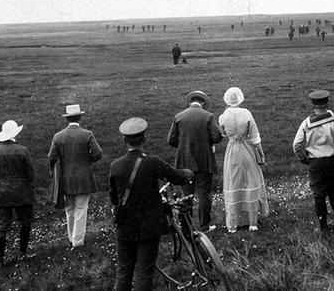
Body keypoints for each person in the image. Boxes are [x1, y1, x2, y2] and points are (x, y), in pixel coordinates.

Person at [110, 117, 193, 291]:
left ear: (124, 140)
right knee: (144, 272)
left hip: (125, 226)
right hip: (149, 226)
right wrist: (188, 172)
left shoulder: (115, 166)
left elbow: (114, 198)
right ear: (145, 139)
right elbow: (177, 177)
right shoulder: (152, 162)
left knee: (123, 272)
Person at [47, 104, 103, 248]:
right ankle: (78, 242)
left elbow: (51, 157)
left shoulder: (58, 136)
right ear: (80, 117)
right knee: (81, 209)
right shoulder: (87, 134)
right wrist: (86, 161)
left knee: (69, 210)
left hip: (65, 179)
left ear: (67, 119)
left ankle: (72, 239)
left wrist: (55, 170)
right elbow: (98, 154)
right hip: (84, 178)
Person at [167, 91, 223, 232]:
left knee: (186, 194)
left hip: (184, 161)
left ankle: (186, 227)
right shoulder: (208, 116)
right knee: (204, 193)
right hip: (204, 160)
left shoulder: (179, 116)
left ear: (190, 102)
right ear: (203, 103)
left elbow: (171, 140)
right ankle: (204, 226)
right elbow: (217, 136)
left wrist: (183, 147)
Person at [293, 90, 334, 232]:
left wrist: (303, 158)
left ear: (313, 105)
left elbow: (296, 144)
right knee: (333, 191)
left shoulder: (306, 123)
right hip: (331, 159)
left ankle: (323, 226)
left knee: (319, 194)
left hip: (315, 161)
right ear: (327, 103)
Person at [218, 87, 269, 233]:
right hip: (247, 150)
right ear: (240, 99)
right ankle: (252, 223)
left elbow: (222, 134)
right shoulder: (246, 113)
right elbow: (255, 137)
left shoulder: (223, 117)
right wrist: (261, 153)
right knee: (250, 181)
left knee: (233, 181)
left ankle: (233, 224)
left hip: (232, 151)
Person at [0, 120, 36, 268]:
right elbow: (30, 173)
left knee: (1, 225)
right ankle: (23, 253)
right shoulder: (23, 150)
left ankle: (0, 260)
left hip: (1, 192)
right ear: (15, 134)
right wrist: (29, 185)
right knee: (25, 221)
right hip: (21, 191)